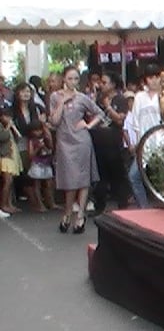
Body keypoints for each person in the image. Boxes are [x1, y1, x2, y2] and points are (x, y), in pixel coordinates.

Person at [50, 65, 106, 233]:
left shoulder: (82, 98)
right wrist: (62, 102)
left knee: (83, 179)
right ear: (63, 79)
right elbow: (54, 121)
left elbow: (100, 113)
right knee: (70, 180)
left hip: (82, 141)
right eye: (69, 78)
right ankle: (67, 212)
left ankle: (80, 214)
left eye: (76, 78)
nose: (73, 82)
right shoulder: (55, 96)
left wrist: (88, 125)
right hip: (64, 142)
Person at [91, 72, 131, 214]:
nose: (101, 85)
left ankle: (122, 204)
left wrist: (108, 106)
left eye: (104, 82)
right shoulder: (99, 99)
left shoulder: (120, 99)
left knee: (118, 174)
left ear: (113, 84)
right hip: (99, 141)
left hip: (113, 142)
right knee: (100, 175)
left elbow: (119, 120)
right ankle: (99, 205)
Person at [128, 64, 163, 209]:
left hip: (162, 142)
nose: (154, 81)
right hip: (145, 142)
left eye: (156, 77)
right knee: (134, 176)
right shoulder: (139, 97)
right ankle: (144, 208)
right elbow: (135, 122)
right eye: (150, 77)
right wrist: (136, 142)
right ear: (145, 80)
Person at [26, 120, 54, 212]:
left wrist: (47, 136)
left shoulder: (45, 137)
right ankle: (39, 204)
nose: (38, 132)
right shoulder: (31, 141)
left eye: (39, 130)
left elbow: (51, 147)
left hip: (46, 162)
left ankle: (51, 202)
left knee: (49, 184)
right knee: (37, 185)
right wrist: (38, 148)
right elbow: (30, 155)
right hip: (37, 163)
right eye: (35, 130)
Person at [0, 107, 23, 215]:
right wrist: (8, 127)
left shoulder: (9, 127)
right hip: (5, 156)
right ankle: (3, 204)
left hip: (12, 155)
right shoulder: (1, 127)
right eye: (6, 116)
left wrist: (13, 129)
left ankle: (9, 204)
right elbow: (2, 137)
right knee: (7, 181)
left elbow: (19, 138)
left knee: (11, 182)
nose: (8, 118)